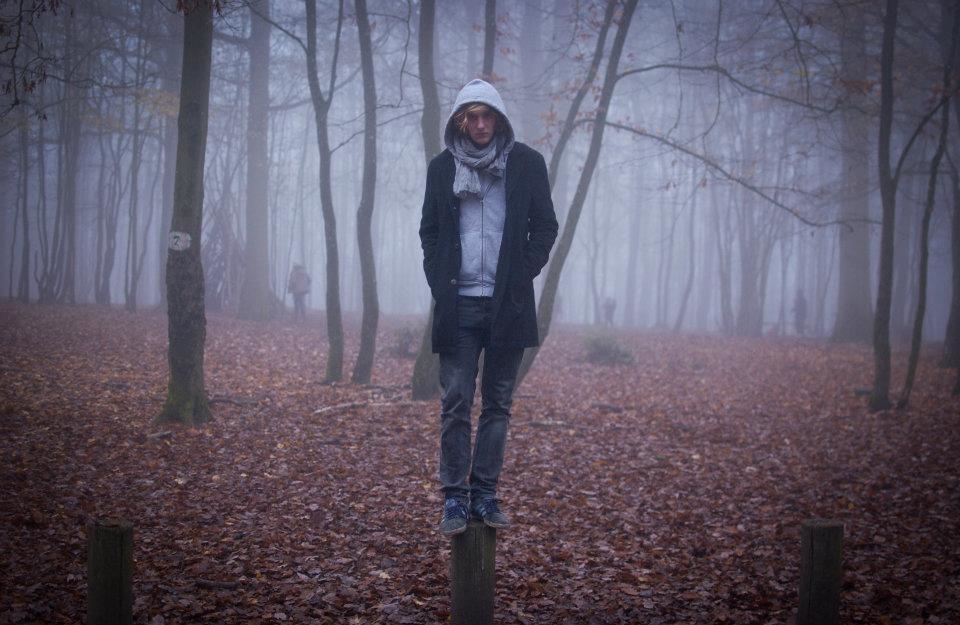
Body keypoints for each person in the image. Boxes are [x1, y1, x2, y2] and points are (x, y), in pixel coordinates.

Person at [419, 79, 558, 536]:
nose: (480, 125)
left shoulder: (527, 164)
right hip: (458, 305)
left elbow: (545, 226)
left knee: (498, 404)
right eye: (471, 117)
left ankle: (485, 493)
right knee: (455, 401)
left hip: (507, 305)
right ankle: (454, 497)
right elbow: (429, 232)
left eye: (487, 116)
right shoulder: (442, 168)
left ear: (498, 119)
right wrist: (439, 280)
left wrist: (521, 274)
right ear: (461, 121)